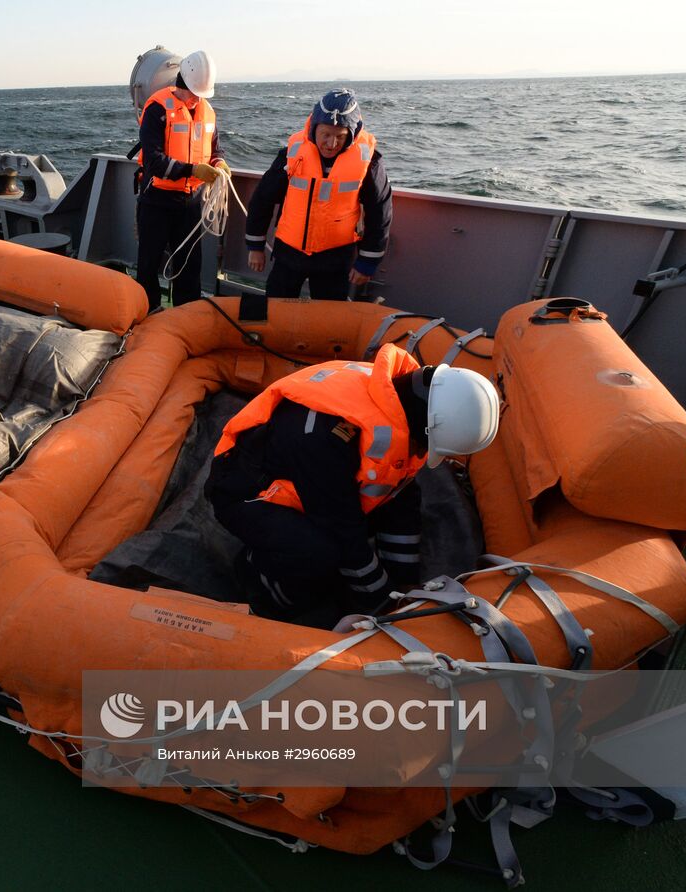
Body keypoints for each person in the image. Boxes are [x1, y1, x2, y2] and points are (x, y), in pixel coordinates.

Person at [204, 344, 500, 626]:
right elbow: (341, 528)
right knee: (317, 553)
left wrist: (403, 584)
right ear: (427, 424)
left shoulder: (394, 400)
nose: (422, 454)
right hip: (247, 493)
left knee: (392, 510)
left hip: (308, 479)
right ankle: (261, 584)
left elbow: (400, 494)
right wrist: (382, 602)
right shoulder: (325, 440)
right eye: (426, 446)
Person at [243, 88, 392, 308]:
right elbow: (263, 198)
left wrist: (367, 262)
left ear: (352, 134)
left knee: (330, 321)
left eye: (340, 136)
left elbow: (380, 212)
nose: (331, 144)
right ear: (314, 129)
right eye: (326, 135)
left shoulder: (370, 163)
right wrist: (255, 246)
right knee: (276, 312)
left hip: (335, 259)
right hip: (288, 255)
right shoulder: (291, 155)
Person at [135, 50, 229, 312]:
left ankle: (185, 317)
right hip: (157, 199)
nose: (197, 99)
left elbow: (215, 149)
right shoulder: (157, 108)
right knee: (149, 263)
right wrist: (193, 170)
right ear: (182, 83)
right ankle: (148, 313)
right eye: (194, 92)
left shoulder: (207, 112)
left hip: (190, 203)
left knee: (189, 264)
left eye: (202, 94)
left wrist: (219, 164)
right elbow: (153, 161)